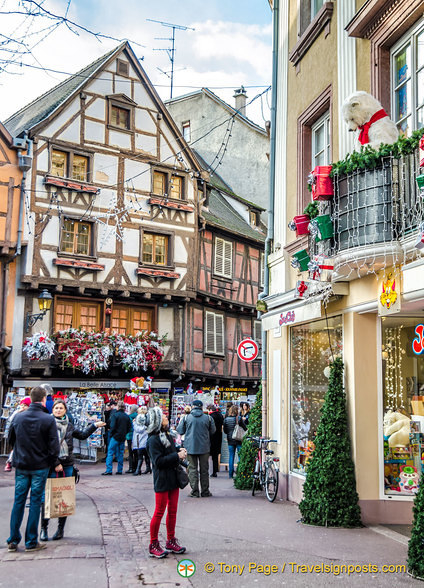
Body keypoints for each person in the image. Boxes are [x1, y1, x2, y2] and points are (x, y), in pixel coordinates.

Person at [40, 400, 105, 541]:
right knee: (47, 498)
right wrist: (56, 463)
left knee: (64, 498)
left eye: (61, 408)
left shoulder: (69, 425)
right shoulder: (47, 424)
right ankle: (43, 528)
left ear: (65, 410)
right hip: (52, 465)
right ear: (53, 410)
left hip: (68, 465)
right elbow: (45, 446)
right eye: (56, 408)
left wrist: (94, 425)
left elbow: (82, 435)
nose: (58, 410)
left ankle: (60, 529)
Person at [6, 384, 60, 552]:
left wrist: (19, 452)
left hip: (22, 464)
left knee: (19, 501)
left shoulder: (18, 417)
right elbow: (54, 445)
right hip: (40, 465)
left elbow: (10, 439)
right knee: (35, 502)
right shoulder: (48, 419)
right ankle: (31, 541)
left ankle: (13, 539)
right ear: (44, 399)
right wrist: (53, 461)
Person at [146, 406, 187, 558]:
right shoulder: (153, 440)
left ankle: (170, 540)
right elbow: (158, 462)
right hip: (162, 479)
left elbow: (171, 453)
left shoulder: (166, 435)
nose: (166, 418)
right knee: (159, 512)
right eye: (162, 416)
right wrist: (177, 456)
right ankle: (153, 543)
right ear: (156, 421)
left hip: (173, 478)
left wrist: (180, 453)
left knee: (173, 511)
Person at [176, 399, 215, 498]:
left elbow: (180, 430)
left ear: (192, 407)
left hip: (190, 447)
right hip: (204, 447)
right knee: (204, 470)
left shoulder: (186, 418)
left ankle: (194, 491)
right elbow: (213, 431)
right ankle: (205, 491)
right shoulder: (208, 418)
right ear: (201, 407)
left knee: (192, 469)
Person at [102, 400, 131, 475]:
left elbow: (112, 426)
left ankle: (109, 470)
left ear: (118, 407)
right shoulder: (126, 416)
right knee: (120, 453)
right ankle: (119, 470)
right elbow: (129, 427)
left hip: (115, 436)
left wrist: (111, 433)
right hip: (122, 436)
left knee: (110, 452)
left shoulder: (115, 415)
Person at [4, 397, 31, 472]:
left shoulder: (30, 414)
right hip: (18, 434)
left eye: (25, 405)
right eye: (22, 405)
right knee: (15, 448)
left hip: (26, 435)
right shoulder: (17, 413)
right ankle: (9, 461)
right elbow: (11, 422)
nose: (23, 407)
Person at [223, 405, 247, 479]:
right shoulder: (239, 418)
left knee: (231, 456)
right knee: (240, 456)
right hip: (239, 439)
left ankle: (230, 474)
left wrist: (230, 434)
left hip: (230, 440)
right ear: (237, 411)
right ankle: (240, 473)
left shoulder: (226, 419)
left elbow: (225, 431)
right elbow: (245, 428)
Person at [132, 406, 151, 475]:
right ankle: (148, 468)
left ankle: (138, 469)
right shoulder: (147, 418)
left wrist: (134, 423)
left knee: (140, 454)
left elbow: (138, 429)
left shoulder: (139, 419)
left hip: (140, 439)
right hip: (145, 438)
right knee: (146, 454)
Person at [207, 404, 224, 477]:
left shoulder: (210, 417)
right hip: (219, 436)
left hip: (211, 437)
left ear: (210, 410)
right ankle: (215, 470)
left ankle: (208, 471)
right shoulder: (220, 415)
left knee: (208, 455)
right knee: (215, 455)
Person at [126, 405, 138, 473]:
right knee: (136, 452)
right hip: (136, 436)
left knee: (130, 453)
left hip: (130, 436)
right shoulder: (138, 416)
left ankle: (131, 467)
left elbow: (129, 427)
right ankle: (136, 467)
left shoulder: (129, 417)